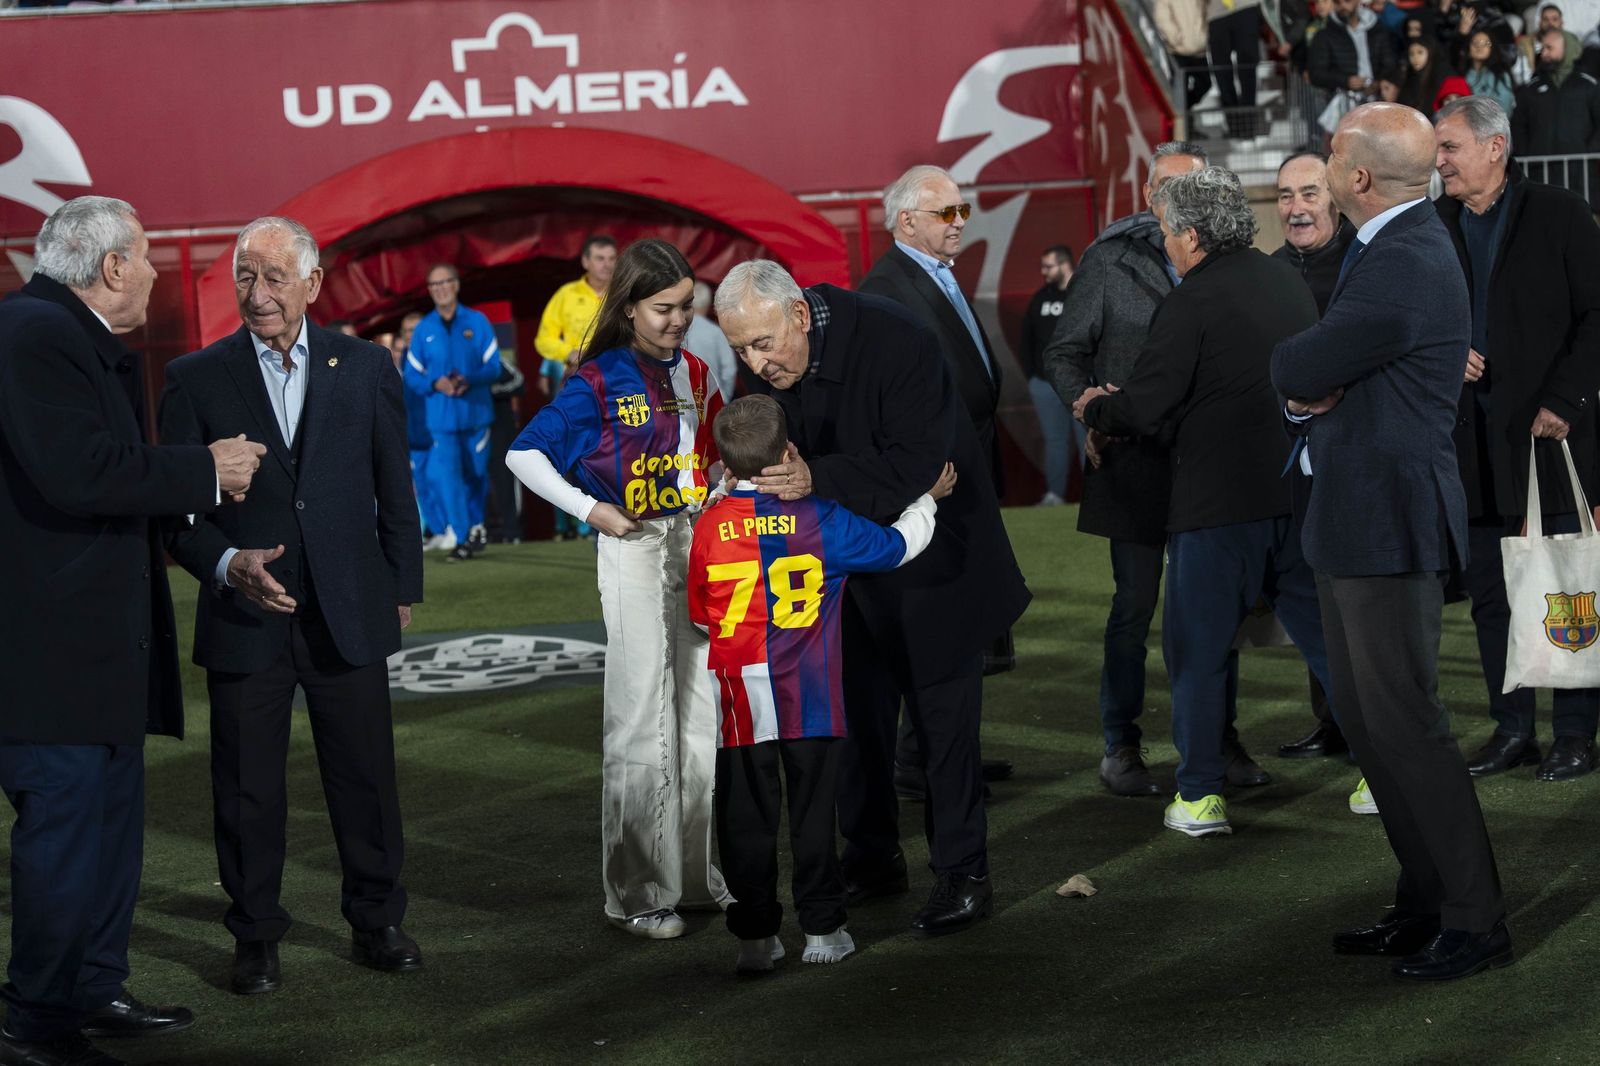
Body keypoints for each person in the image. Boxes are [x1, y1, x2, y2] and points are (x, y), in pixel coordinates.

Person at [0, 196, 264, 1066]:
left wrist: (220, 556)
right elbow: (79, 473)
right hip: (50, 653)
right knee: (67, 833)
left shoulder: (57, 333)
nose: (153, 270)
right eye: (145, 255)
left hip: (93, 648)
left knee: (107, 829)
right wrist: (205, 467)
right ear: (111, 266)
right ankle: (37, 1020)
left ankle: (88, 989)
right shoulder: (33, 333)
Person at [716, 260, 1031, 937]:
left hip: (939, 569)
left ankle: (963, 874)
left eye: (763, 343)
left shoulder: (899, 339)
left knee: (943, 732)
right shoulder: (773, 355)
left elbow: (924, 464)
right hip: (847, 575)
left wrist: (814, 479)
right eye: (740, 347)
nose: (753, 362)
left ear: (799, 316)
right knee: (857, 724)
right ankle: (873, 858)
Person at [1272, 102, 1511, 981]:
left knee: (1405, 725)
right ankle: (1426, 901)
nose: (1325, 169)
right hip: (1358, 515)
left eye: (1332, 157)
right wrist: (1307, 385)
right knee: (1371, 724)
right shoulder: (1394, 248)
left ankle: (1476, 920)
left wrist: (1301, 381)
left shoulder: (1404, 258)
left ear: (1358, 179)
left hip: (1384, 519)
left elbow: (1297, 364)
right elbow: (1311, 375)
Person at [159, 215, 425, 997]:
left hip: (349, 609)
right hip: (245, 615)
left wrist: (401, 586)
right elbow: (175, 516)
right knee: (245, 787)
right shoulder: (195, 378)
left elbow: (394, 487)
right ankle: (255, 935)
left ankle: (377, 920)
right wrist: (226, 564)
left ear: (312, 284)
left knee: (367, 778)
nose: (258, 292)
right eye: (246, 275)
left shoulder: (368, 365)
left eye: (275, 277)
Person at [1075, 167, 1331, 836]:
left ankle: (1198, 797)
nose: (1165, 245)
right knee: (1332, 646)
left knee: (1198, 652)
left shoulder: (1190, 300)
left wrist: (1100, 409)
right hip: (1294, 493)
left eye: (1165, 232)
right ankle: (1384, 773)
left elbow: (1150, 404)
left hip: (1216, 509)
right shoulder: (1285, 279)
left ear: (1190, 234)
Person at [505, 238, 728, 940]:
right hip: (632, 547)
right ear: (629, 308)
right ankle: (636, 894)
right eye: (664, 308)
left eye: (687, 307)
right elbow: (524, 453)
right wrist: (591, 510)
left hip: (696, 543)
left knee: (700, 715)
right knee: (639, 716)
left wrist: (721, 487)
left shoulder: (697, 368)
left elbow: (717, 454)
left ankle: (697, 879)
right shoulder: (599, 378)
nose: (678, 320)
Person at [686, 395, 946, 973]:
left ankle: (755, 940)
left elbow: (701, 618)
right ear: (789, 452)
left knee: (746, 822)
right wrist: (926, 500)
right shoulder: (821, 518)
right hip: (810, 699)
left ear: (727, 466)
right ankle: (824, 931)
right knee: (813, 815)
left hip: (739, 706)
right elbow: (898, 546)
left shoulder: (708, 526)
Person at [1045, 142, 1270, 797]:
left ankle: (1220, 744)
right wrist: (1087, 412)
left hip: (1210, 465)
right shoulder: (1107, 261)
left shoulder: (1227, 265)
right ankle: (1122, 745)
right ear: (1148, 194)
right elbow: (1064, 354)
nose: (1186, 199)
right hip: (1134, 461)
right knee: (1134, 611)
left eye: (1197, 187)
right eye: (1174, 186)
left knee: (1215, 613)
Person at [1434, 96, 1600, 779]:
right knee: (1492, 597)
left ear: (1494, 148)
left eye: (1449, 147)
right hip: (1471, 446)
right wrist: (1445, 353)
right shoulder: (1433, 224)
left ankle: (1575, 734)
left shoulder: (1559, 213)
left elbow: (1598, 315)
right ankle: (1512, 730)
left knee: (1568, 591)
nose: (1437, 161)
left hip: (1554, 439)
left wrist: (1567, 399)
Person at [857, 164, 1015, 799]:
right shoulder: (887, 290)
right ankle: (923, 760)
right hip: (934, 484)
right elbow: (896, 405)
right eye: (946, 213)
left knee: (962, 621)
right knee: (939, 624)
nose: (959, 223)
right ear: (907, 222)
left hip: (963, 470)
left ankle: (943, 753)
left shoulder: (927, 277)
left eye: (962, 210)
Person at [1270, 151, 1358, 763]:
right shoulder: (1267, 272)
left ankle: (1371, 724)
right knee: (1313, 594)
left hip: (1358, 459)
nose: (1296, 208)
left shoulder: (1365, 262)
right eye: (1283, 196)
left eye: (1308, 193)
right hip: (1290, 465)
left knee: (1361, 602)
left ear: (1333, 197)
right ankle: (1333, 720)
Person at [403, 264, 500, 561]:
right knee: (448, 478)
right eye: (434, 285)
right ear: (430, 291)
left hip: (476, 415)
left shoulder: (478, 322)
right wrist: (436, 382)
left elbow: (494, 367)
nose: (440, 288)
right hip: (441, 421)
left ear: (456, 284)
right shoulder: (424, 330)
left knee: (476, 474)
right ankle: (462, 536)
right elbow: (412, 375)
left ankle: (475, 527)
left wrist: (467, 379)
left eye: (445, 282)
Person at [533, 235, 617, 540]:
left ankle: (610, 512)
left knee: (611, 450)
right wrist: (568, 351)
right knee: (570, 452)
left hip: (617, 385)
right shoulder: (566, 295)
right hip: (578, 387)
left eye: (611, 258)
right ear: (585, 261)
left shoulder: (623, 295)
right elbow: (543, 339)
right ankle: (578, 523)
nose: (606, 264)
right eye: (599, 258)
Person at [1018, 245, 1082, 507]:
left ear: (1065, 264)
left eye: (1049, 266)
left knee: (1088, 441)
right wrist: (1033, 376)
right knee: (1055, 442)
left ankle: (1096, 496)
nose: (1044, 271)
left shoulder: (1084, 292)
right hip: (1045, 385)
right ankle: (1055, 495)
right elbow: (1026, 340)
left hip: (1081, 385)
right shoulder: (1040, 298)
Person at [1513, 28, 1600, 203]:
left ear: (1567, 49)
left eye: (1549, 48)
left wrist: (1588, 152)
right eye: (1542, 48)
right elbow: (1518, 126)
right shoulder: (1531, 88)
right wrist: (1528, 153)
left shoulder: (1588, 85)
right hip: (1540, 173)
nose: (1543, 53)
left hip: (1580, 173)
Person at [395, 311, 447, 548]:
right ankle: (437, 532)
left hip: (435, 432)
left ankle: (453, 530)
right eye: (407, 331)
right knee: (423, 487)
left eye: (415, 330)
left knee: (440, 482)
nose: (411, 335)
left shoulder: (436, 357)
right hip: (413, 435)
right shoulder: (403, 360)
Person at [1309, 0, 1400, 103]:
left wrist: (1378, 83)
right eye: (1337, 2)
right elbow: (1316, 74)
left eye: (1347, 1)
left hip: (1378, 100)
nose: (1342, 5)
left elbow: (1390, 63)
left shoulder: (1378, 30)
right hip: (1341, 102)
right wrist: (1346, 81)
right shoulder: (1324, 36)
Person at [485, 337, 526, 544]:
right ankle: (485, 530)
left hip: (501, 429)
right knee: (476, 480)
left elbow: (519, 382)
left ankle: (512, 530)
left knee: (505, 479)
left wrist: (487, 391)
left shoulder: (497, 362)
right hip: (474, 429)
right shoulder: (459, 363)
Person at [1209, 0, 1265, 138]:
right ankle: (1233, 125)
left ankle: (1248, 124)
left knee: (1247, 67)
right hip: (1215, 12)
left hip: (1245, 6)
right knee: (1221, 71)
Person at [684, 279, 737, 403]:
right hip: (713, 398)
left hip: (683, 400)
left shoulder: (676, 331)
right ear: (708, 305)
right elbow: (729, 370)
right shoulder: (717, 332)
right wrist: (725, 396)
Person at [1462, 29, 1517, 114]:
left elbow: (1505, 108)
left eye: (1486, 43)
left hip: (1492, 124)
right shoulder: (1461, 74)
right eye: (1475, 42)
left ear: (1493, 48)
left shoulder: (1500, 76)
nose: (1479, 46)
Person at [1397, 39, 1453, 114]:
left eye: (1420, 52)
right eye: (1411, 54)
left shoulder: (1441, 77)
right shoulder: (1409, 78)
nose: (1415, 57)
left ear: (1429, 52)